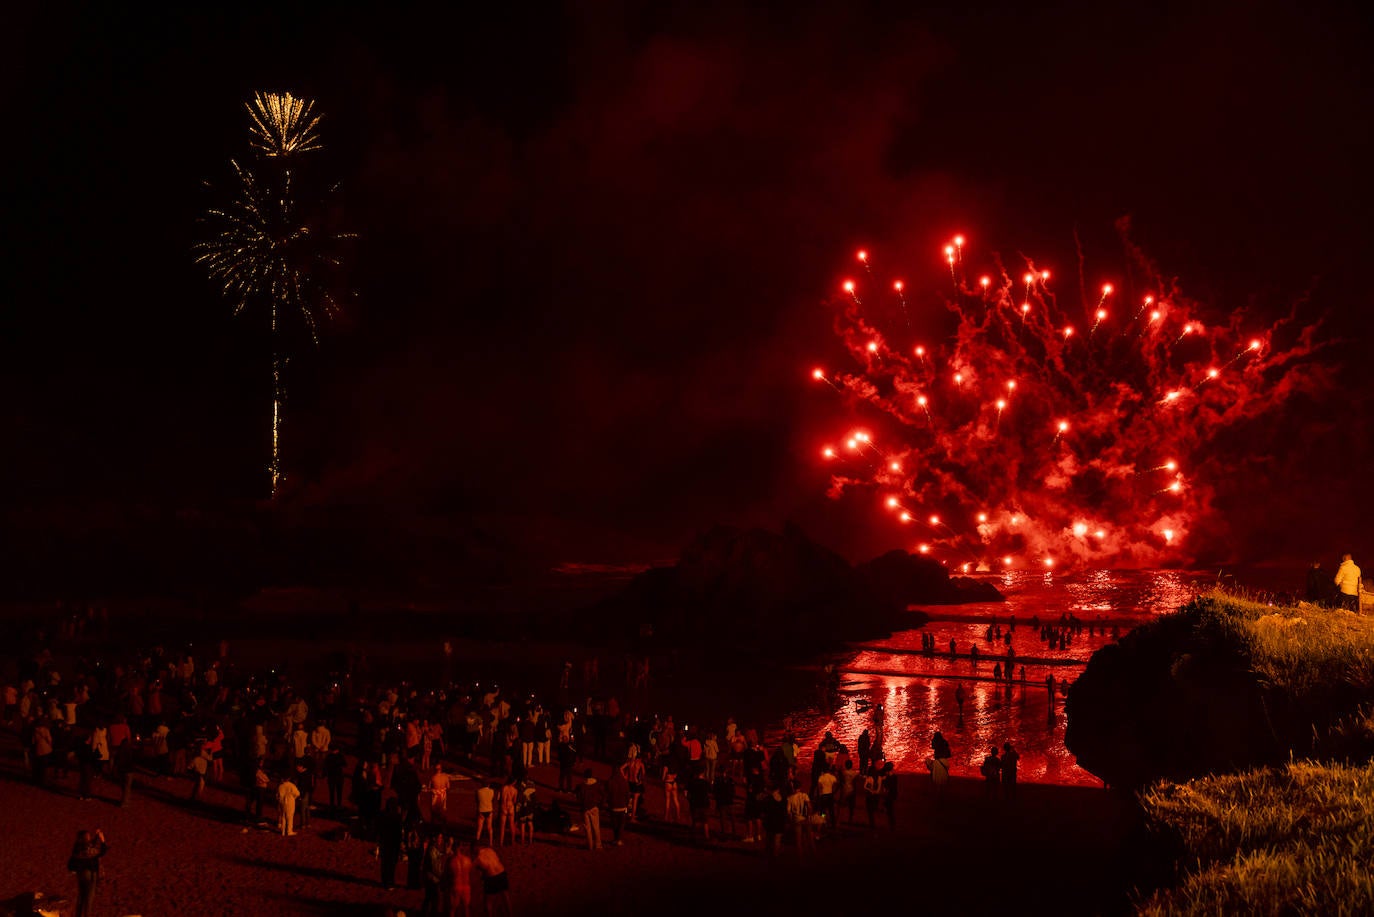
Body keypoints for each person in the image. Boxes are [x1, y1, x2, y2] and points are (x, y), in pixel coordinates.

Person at [68, 828, 108, 917]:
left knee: (81, 897)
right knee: (89, 899)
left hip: (80, 874)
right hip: (90, 873)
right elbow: (102, 852)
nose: (89, 837)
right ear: (86, 838)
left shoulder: (77, 847)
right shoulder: (89, 849)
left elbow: (91, 845)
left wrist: (96, 836)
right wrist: (102, 840)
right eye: (88, 836)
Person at [474, 846, 511, 917]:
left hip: (492, 877)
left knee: (488, 902)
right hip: (501, 873)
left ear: (473, 850)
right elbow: (496, 860)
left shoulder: (478, 859)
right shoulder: (489, 850)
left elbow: (484, 869)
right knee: (505, 897)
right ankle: (510, 915)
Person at [377, 798, 405, 889]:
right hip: (393, 844)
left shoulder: (382, 815)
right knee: (392, 864)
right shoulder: (397, 817)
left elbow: (379, 830)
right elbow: (399, 832)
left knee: (385, 863)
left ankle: (385, 881)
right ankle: (390, 882)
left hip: (385, 843)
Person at [575, 767, 603, 850]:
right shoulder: (597, 784)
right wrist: (600, 804)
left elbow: (578, 797)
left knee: (588, 829)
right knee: (596, 827)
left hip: (585, 809)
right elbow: (602, 795)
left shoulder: (581, 786)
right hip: (594, 807)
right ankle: (598, 845)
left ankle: (590, 846)